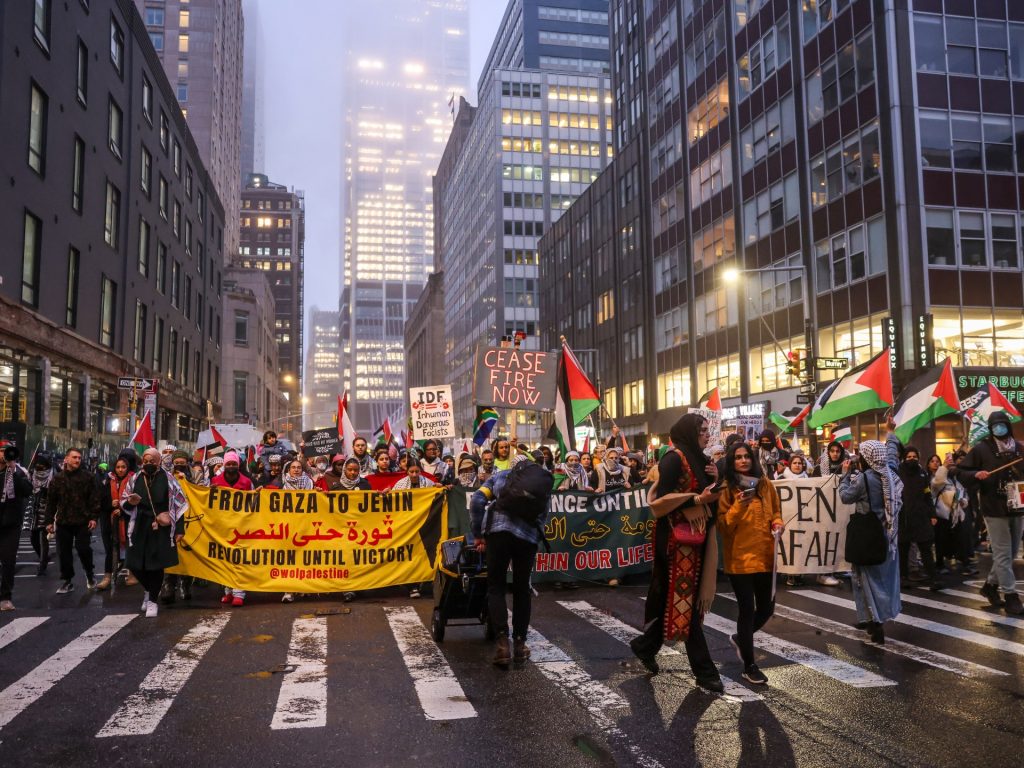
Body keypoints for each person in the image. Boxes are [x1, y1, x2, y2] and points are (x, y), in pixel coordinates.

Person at [630, 414, 723, 692]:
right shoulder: (673, 459)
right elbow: (660, 502)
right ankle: (705, 671)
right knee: (686, 600)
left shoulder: (703, 460)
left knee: (675, 598)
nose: (707, 435)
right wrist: (696, 499)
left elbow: (712, 498)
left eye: (707, 430)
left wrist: (716, 480)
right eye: (702, 430)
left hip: (698, 537)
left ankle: (646, 646)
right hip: (675, 541)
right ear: (689, 432)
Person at [471, 453, 552, 666]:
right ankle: (519, 644)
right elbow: (543, 516)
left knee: (496, 586)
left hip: (498, 534)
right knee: (522, 588)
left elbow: (477, 500)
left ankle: (502, 645)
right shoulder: (540, 484)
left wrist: (478, 534)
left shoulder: (500, 477)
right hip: (527, 539)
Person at [717, 441, 784, 685]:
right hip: (740, 560)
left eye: (746, 456)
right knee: (746, 610)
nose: (743, 460)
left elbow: (776, 511)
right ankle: (749, 665)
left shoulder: (764, 484)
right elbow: (723, 526)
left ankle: (740, 638)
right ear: (731, 461)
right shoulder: (726, 488)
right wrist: (738, 505)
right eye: (738, 457)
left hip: (765, 556)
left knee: (767, 608)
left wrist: (778, 524)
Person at [839, 430, 903, 643]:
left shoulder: (864, 479)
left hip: (866, 534)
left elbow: (845, 497)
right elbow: (892, 455)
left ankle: (874, 621)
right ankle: (876, 617)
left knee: (865, 580)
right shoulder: (890, 473)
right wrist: (891, 434)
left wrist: (845, 476)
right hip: (886, 534)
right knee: (883, 580)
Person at [956, 411, 1024, 615]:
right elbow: (960, 472)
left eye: (1002, 424)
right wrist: (975, 474)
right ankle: (1011, 595)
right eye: (995, 425)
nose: (999, 428)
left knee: (1011, 553)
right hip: (994, 507)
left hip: (1018, 505)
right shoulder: (981, 449)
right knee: (1003, 553)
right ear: (990, 428)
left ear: (1008, 426)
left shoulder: (1019, 448)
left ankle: (990, 586)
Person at [120, 448, 187, 617]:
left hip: (161, 527)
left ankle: (152, 601)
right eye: (146, 461)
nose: (148, 464)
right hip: (139, 525)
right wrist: (130, 502)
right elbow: (124, 503)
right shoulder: (135, 478)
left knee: (156, 565)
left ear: (159, 461)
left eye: (152, 461)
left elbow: (179, 505)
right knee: (134, 563)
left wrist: (180, 529)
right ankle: (149, 590)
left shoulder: (169, 479)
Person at [45, 448, 101, 594]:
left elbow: (94, 499)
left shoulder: (88, 477)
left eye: (79, 458)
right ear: (66, 459)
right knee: (64, 553)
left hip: (83, 521)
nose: (77, 460)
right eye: (74, 457)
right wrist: (49, 521)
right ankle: (67, 581)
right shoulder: (57, 479)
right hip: (63, 521)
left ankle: (90, 574)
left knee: (83, 549)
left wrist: (94, 518)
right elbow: (51, 502)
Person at [211, 452, 253, 606]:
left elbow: (254, 500)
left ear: (238, 465)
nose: (231, 466)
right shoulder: (215, 481)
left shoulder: (246, 482)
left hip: (241, 526)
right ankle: (228, 591)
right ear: (224, 465)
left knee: (239, 560)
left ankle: (239, 593)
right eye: (228, 464)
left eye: (233, 464)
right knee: (224, 559)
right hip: (222, 526)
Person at [897, 445, 941, 591]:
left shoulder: (922, 473)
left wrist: (932, 514)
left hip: (921, 517)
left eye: (914, 457)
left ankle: (933, 579)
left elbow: (927, 495)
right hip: (904, 517)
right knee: (903, 551)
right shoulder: (898, 472)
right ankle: (903, 578)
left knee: (926, 549)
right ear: (904, 458)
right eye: (909, 457)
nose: (912, 459)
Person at [930, 453, 973, 575]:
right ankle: (940, 564)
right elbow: (937, 482)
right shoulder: (936, 479)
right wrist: (944, 466)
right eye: (932, 461)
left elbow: (962, 493)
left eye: (937, 461)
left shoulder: (954, 480)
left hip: (955, 515)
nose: (935, 463)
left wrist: (963, 501)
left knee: (960, 539)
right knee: (940, 540)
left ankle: (964, 563)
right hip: (941, 515)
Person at [97, 455, 135, 592]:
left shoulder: (133, 481)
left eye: (123, 467)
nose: (120, 470)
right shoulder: (107, 481)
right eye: (118, 467)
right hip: (110, 521)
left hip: (128, 520)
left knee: (130, 548)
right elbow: (100, 500)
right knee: (110, 549)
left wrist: (123, 509)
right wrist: (111, 504)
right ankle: (107, 577)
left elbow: (136, 500)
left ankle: (132, 574)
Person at [0, 446, 32, 611]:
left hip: (11, 524)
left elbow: (28, 491)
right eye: (1, 451)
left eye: (6, 452)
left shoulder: (18, 472)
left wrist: (13, 471)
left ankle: (5, 597)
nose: (4, 455)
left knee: (8, 560)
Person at [27, 452, 55, 576]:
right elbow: (28, 488)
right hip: (34, 509)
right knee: (33, 539)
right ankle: (43, 557)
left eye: (42, 463)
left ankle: (42, 565)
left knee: (44, 539)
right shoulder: (32, 473)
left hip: (47, 509)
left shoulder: (53, 474)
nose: (39, 465)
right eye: (38, 463)